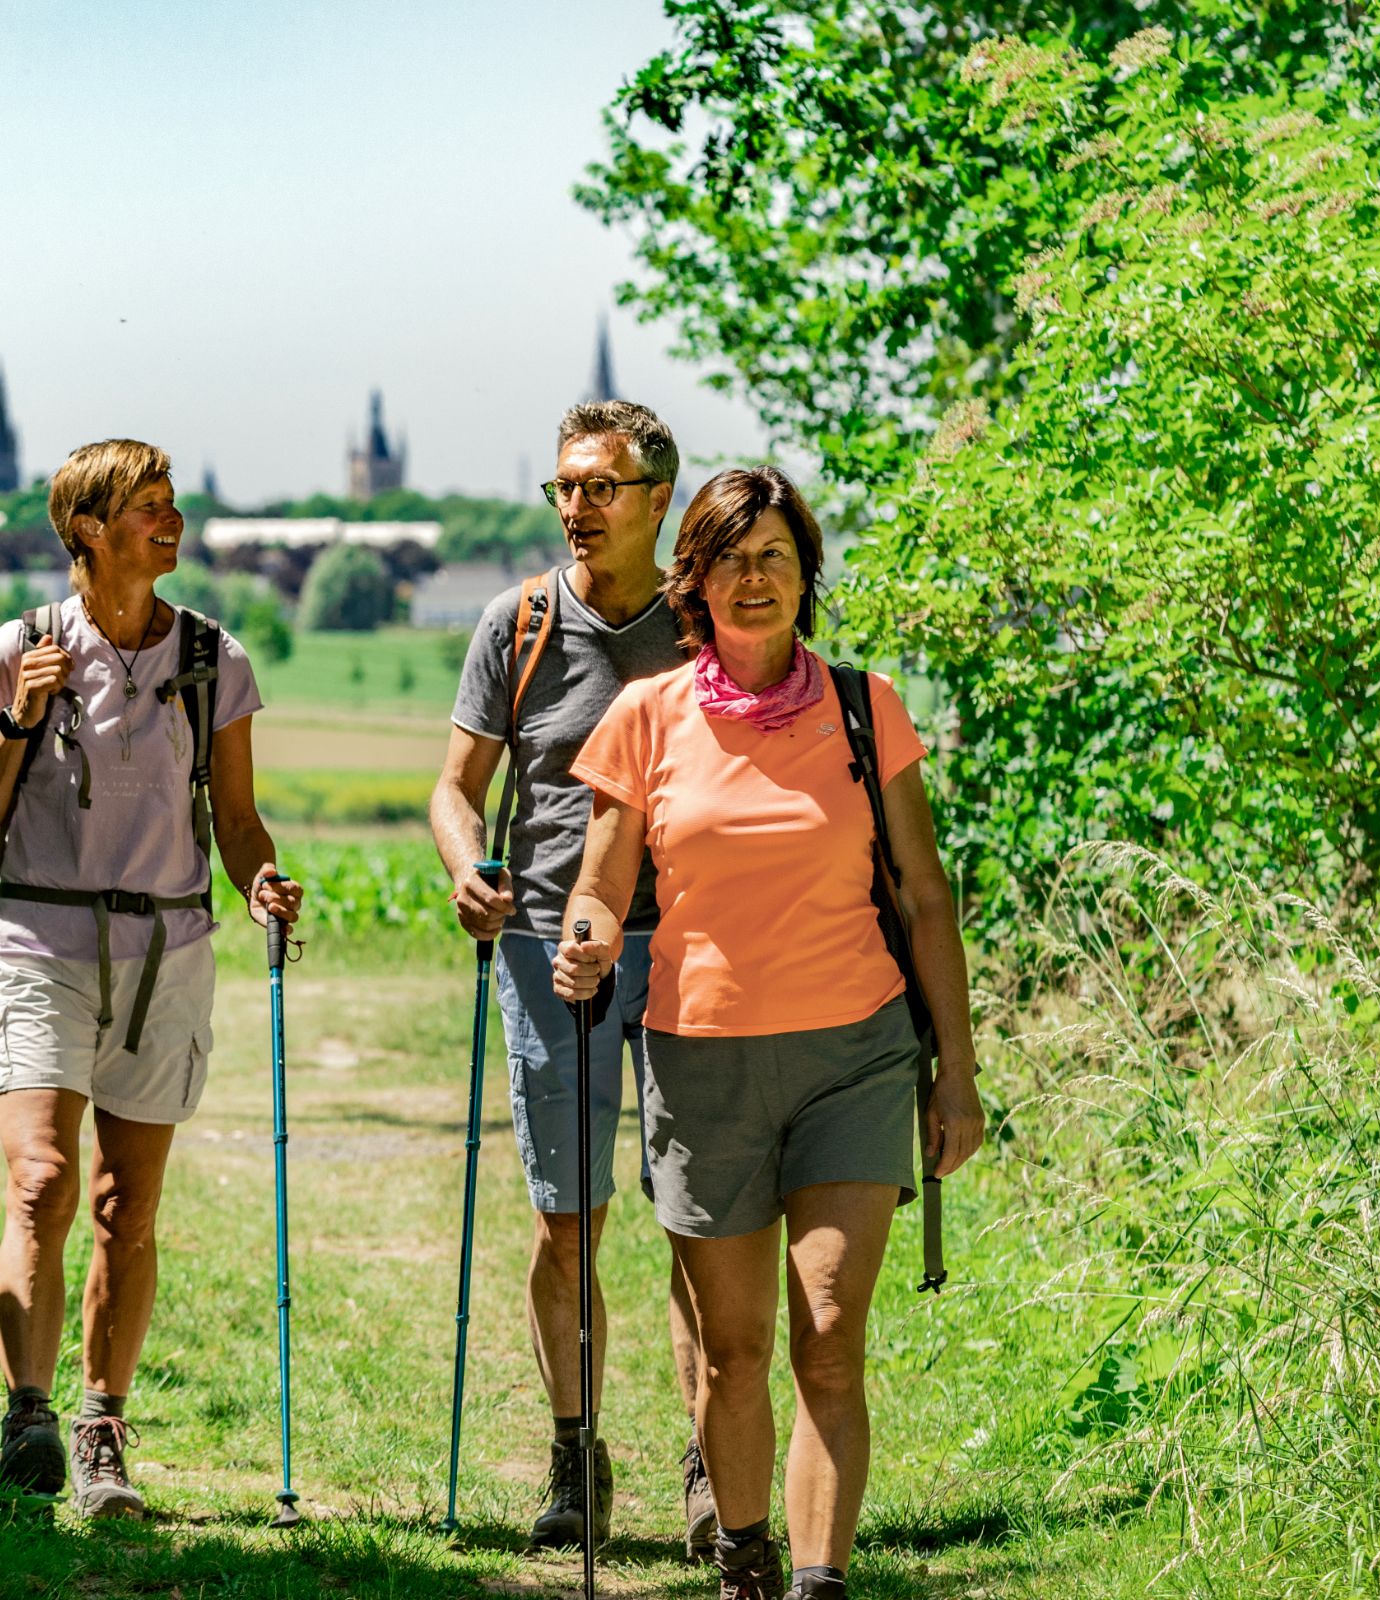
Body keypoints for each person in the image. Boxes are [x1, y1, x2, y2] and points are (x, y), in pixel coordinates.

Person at [551, 465, 985, 1600]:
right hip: (700, 1060)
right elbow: (601, 883)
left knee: (829, 1334)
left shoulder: (863, 705)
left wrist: (960, 1074)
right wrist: (587, 940)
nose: (757, 580)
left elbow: (926, 896)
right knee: (734, 1349)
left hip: (857, 1051)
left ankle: (816, 1579)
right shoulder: (646, 716)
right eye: (733, 560)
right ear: (694, 579)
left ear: (806, 577)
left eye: (777, 559)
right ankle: (744, 1547)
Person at [0, 438, 304, 1520]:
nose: (173, 519)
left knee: (124, 1206)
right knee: (42, 1181)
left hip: (167, 952)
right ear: (88, 529)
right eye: (150, 505)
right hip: (40, 941)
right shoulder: (20, 648)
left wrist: (263, 882)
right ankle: (28, 1416)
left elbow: (236, 821)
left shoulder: (211, 658)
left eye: (172, 502)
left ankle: (101, 1426)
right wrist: (20, 717)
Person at [427, 400, 711, 1556]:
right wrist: (465, 869)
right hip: (552, 948)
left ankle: (712, 1460)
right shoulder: (521, 622)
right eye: (565, 488)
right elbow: (455, 786)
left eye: (601, 486)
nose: (578, 508)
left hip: (697, 954)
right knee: (567, 1226)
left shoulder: (708, 626)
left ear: (658, 501)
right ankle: (573, 1450)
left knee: (705, 1224)